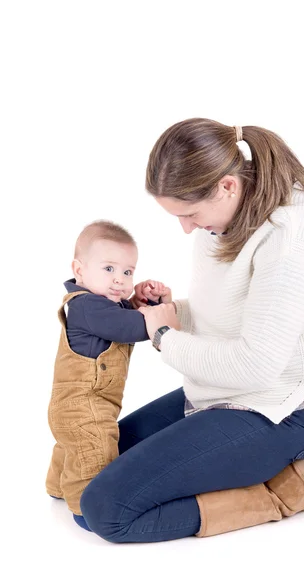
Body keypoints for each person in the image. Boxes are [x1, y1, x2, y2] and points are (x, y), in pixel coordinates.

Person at [79, 118, 304, 542]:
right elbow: (234, 314)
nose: (186, 228)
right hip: (226, 390)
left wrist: (165, 337)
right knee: (90, 467)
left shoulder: (295, 235)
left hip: (292, 408)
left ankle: (281, 494)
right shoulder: (227, 216)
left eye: (190, 214)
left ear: (227, 186)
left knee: (106, 510)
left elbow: (258, 364)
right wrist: (170, 311)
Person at [46, 219, 171, 529]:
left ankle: (56, 486)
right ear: (80, 270)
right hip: (84, 409)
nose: (120, 280)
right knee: (95, 452)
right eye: (109, 269)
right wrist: (161, 315)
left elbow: (122, 315)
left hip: (80, 408)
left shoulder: (102, 305)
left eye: (128, 272)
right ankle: (86, 511)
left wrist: (142, 302)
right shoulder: (87, 306)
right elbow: (128, 327)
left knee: (73, 447)